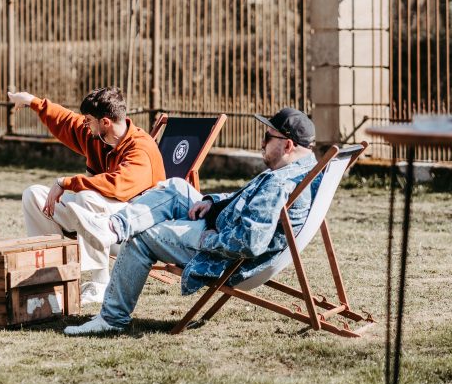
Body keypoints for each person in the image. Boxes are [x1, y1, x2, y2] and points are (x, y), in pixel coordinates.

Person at [64, 107, 319, 335]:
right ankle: (112, 228)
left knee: (144, 237)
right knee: (175, 187)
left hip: (223, 253)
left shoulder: (279, 183)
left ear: (287, 145)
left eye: (267, 137)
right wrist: (212, 202)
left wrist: (209, 238)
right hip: (221, 224)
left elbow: (249, 242)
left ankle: (112, 318)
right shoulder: (300, 169)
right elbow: (245, 199)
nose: (261, 143)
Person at [8, 86, 165, 304]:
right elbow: (65, 121)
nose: (85, 124)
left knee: (86, 196)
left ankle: (100, 284)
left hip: (133, 225)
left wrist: (67, 183)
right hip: (100, 214)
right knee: (34, 195)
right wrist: (31, 100)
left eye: (89, 120)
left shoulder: (141, 148)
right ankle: (49, 276)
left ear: (105, 122)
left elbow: (117, 185)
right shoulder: (97, 136)